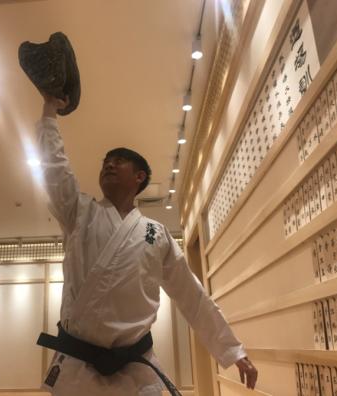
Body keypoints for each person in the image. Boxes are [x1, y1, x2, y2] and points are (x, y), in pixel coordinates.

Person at [34, 93, 258, 396]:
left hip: (134, 368)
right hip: (78, 369)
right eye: (106, 162)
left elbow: (192, 295)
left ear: (139, 177)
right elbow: (55, 171)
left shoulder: (157, 233)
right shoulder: (79, 213)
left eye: (119, 161)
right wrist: (49, 113)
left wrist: (233, 351)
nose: (109, 164)